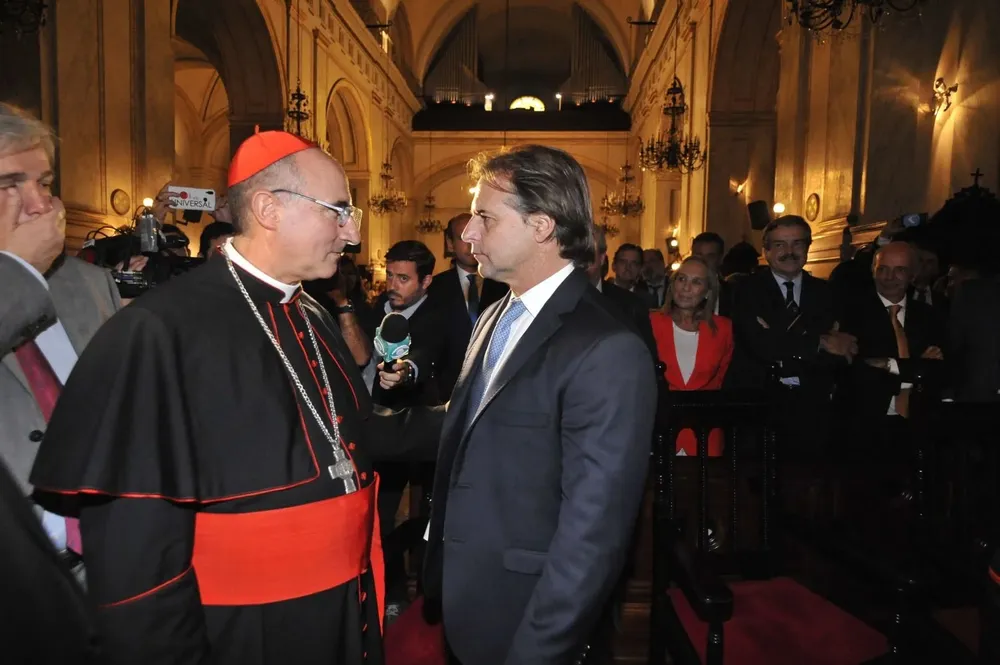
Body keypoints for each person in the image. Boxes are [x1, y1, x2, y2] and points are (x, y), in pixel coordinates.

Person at [30, 128, 443, 665]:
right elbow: (136, 550)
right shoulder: (161, 330)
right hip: (239, 628)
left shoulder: (311, 313)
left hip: (344, 603)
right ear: (270, 209)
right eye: (338, 211)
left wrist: (469, 416)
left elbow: (352, 433)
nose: (352, 232)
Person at [422, 145, 657, 665]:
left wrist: (539, 651)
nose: (468, 233)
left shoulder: (606, 347)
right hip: (472, 597)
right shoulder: (496, 314)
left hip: (529, 617)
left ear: (542, 227)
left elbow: (592, 536)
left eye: (485, 217)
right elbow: (475, 426)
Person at [0, 102, 120, 571]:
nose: (39, 206)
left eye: (45, 183)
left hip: (101, 565)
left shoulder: (87, 284)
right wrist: (17, 271)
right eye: (9, 185)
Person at [649, 256, 734, 456]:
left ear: (708, 291)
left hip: (705, 434)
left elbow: (722, 379)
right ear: (673, 284)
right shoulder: (650, 322)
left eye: (696, 282)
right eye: (682, 279)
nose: (686, 288)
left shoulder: (723, 329)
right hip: (659, 432)